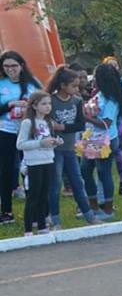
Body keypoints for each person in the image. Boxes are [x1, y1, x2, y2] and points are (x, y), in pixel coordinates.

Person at [47, 66, 97, 228]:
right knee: (55, 184)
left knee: (77, 181)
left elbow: (79, 125)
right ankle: (54, 219)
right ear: (62, 85)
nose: (77, 89)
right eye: (74, 86)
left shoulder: (76, 101)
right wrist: (53, 128)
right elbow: (46, 123)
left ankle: (89, 215)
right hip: (54, 149)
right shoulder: (51, 100)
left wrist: (61, 127)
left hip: (69, 147)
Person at [80, 63, 122, 221]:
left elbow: (106, 122)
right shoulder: (100, 95)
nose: (93, 80)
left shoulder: (111, 100)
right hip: (92, 137)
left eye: (95, 77)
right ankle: (93, 206)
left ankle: (107, 209)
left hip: (104, 139)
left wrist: (84, 117)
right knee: (86, 170)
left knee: (102, 172)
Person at [0, 50, 41, 225]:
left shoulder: (32, 84)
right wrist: (10, 105)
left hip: (29, 132)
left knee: (30, 169)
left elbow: (45, 105)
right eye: (6, 66)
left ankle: (34, 211)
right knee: (6, 171)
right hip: (6, 131)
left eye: (14, 66)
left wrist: (29, 107)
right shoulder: (2, 84)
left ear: (21, 66)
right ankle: (6, 211)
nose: (10, 69)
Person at [16, 91, 62, 235]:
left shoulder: (47, 122)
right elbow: (20, 144)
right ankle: (28, 229)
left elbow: (45, 142)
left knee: (44, 195)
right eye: (44, 104)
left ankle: (42, 226)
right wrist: (40, 143)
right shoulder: (28, 122)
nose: (48, 107)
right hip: (34, 163)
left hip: (48, 160)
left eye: (49, 103)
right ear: (34, 106)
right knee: (33, 196)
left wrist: (54, 143)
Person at [102, 56, 122, 196]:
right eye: (110, 66)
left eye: (115, 65)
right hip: (104, 126)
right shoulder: (100, 85)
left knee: (120, 154)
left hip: (118, 122)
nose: (114, 68)